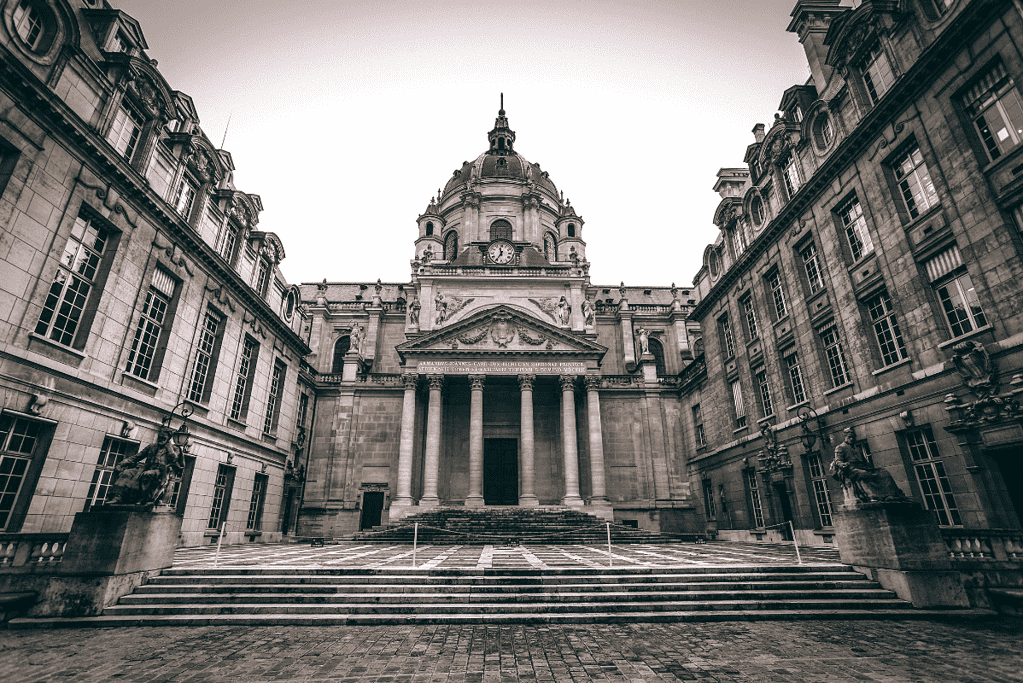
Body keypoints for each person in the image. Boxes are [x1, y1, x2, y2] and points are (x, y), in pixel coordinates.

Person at [830, 427, 909, 504]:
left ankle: (891, 494)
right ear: (845, 437)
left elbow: (864, 461)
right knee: (864, 474)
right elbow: (838, 460)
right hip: (850, 469)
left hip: (863, 467)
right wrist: (843, 464)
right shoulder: (840, 447)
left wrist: (870, 466)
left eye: (853, 437)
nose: (851, 439)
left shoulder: (858, 448)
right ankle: (876, 496)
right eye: (849, 437)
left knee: (883, 472)